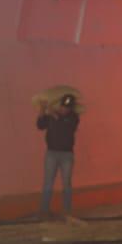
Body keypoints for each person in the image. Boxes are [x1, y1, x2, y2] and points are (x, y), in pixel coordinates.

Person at [37, 93, 82, 222]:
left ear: (71, 108)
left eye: (67, 107)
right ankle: (44, 210)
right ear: (61, 104)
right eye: (63, 106)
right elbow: (40, 125)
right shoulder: (52, 115)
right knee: (48, 182)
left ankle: (67, 211)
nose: (65, 109)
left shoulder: (73, 118)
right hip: (51, 153)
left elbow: (67, 126)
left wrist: (53, 114)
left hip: (67, 155)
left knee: (66, 183)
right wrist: (42, 110)